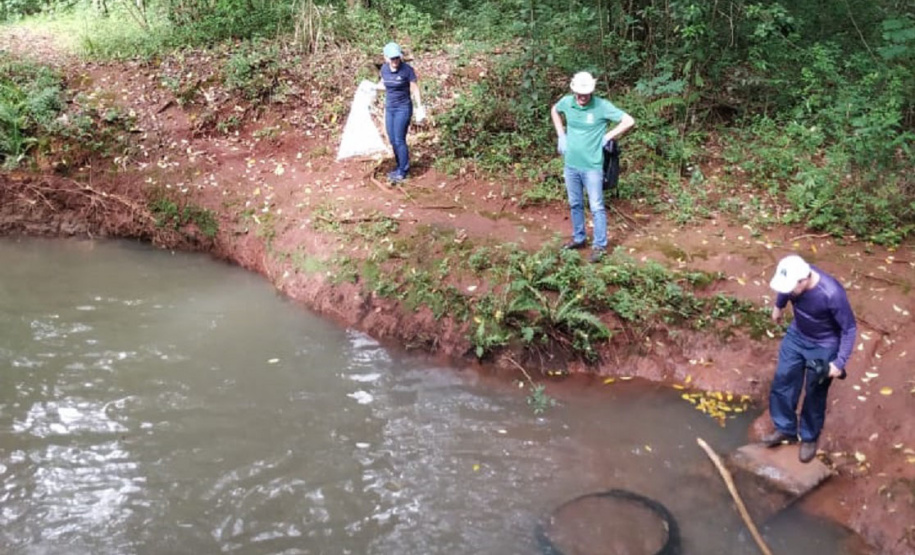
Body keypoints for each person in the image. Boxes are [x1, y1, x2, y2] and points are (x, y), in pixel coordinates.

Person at [763, 254, 857, 463]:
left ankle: (809, 437)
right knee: (783, 378)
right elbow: (784, 290)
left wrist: (838, 363)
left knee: (815, 391)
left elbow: (849, 329)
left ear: (804, 280)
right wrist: (779, 307)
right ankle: (785, 427)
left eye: (791, 287)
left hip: (824, 345)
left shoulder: (831, 293)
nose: (788, 291)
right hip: (797, 335)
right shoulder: (795, 276)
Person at [550, 71, 635, 263]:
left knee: (596, 206)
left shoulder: (601, 106)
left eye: (586, 93)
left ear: (592, 91)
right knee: (575, 203)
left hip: (593, 166)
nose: (582, 97)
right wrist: (561, 135)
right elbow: (554, 110)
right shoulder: (567, 102)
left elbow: (629, 121)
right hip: (571, 164)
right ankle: (579, 238)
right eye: (579, 93)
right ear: (573, 90)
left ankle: (600, 246)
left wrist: (607, 136)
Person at [377, 42, 425, 184]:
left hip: (403, 108)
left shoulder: (407, 70)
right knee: (392, 139)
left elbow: (415, 89)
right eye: (392, 58)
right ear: (385, 58)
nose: (395, 61)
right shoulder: (384, 69)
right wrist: (371, 89)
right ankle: (399, 166)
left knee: (399, 139)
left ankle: (403, 170)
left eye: (397, 58)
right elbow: (383, 85)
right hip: (390, 108)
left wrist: (419, 107)